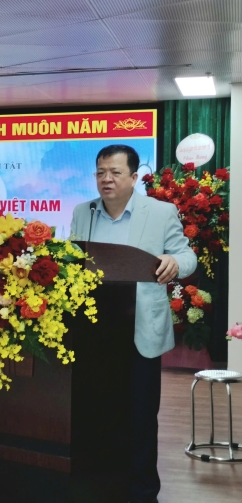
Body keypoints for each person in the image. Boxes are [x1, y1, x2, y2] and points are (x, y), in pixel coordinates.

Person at [70, 144, 197, 503]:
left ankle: (142, 493)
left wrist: (174, 261)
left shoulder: (160, 212)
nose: (106, 179)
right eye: (100, 173)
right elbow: (71, 261)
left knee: (140, 416)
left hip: (140, 331)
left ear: (134, 176)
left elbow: (187, 256)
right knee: (98, 413)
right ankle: (100, 486)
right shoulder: (83, 212)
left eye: (115, 172)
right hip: (94, 333)